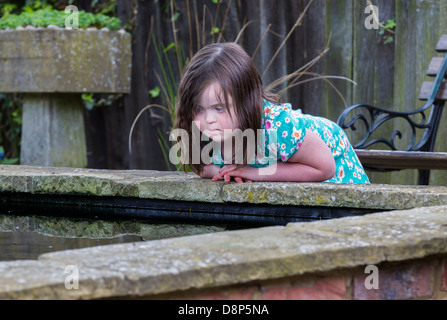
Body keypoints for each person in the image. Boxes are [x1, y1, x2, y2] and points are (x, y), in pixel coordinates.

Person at [173, 42, 370, 184]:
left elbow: (324, 168)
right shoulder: (204, 133)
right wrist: (229, 171)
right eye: (199, 109)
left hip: (336, 172)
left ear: (246, 103)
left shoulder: (278, 128)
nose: (209, 120)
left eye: (219, 108)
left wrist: (254, 172)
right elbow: (203, 168)